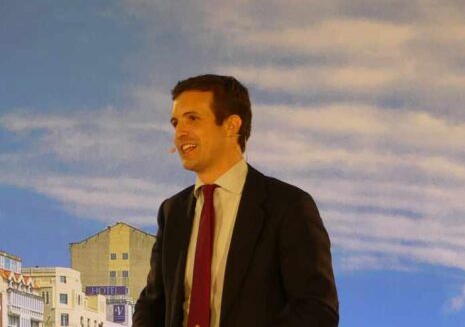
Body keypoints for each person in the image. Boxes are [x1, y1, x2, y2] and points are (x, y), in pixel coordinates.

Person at [132, 74, 338, 327]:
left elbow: (316, 309)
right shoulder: (172, 211)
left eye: (192, 119)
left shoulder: (289, 205)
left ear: (231, 126)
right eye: (175, 123)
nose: (179, 132)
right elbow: (153, 302)